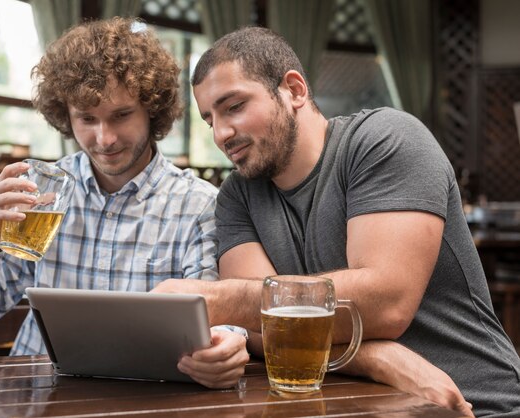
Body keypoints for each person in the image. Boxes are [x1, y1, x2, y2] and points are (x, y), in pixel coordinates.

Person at [154, 26, 520, 416]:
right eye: (210, 120)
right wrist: (379, 358)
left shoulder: (384, 139)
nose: (222, 134)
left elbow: (388, 303)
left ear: (294, 90)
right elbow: (264, 331)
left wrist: (216, 299)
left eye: (234, 107)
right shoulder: (237, 195)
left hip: (473, 403)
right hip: (347, 402)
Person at [0, 17, 248, 389]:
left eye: (121, 115)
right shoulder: (42, 194)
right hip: (37, 391)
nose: (105, 138)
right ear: (66, 117)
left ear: (152, 110)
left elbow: (214, 319)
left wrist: (229, 343)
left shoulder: (197, 206)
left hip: (147, 395)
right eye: (87, 118)